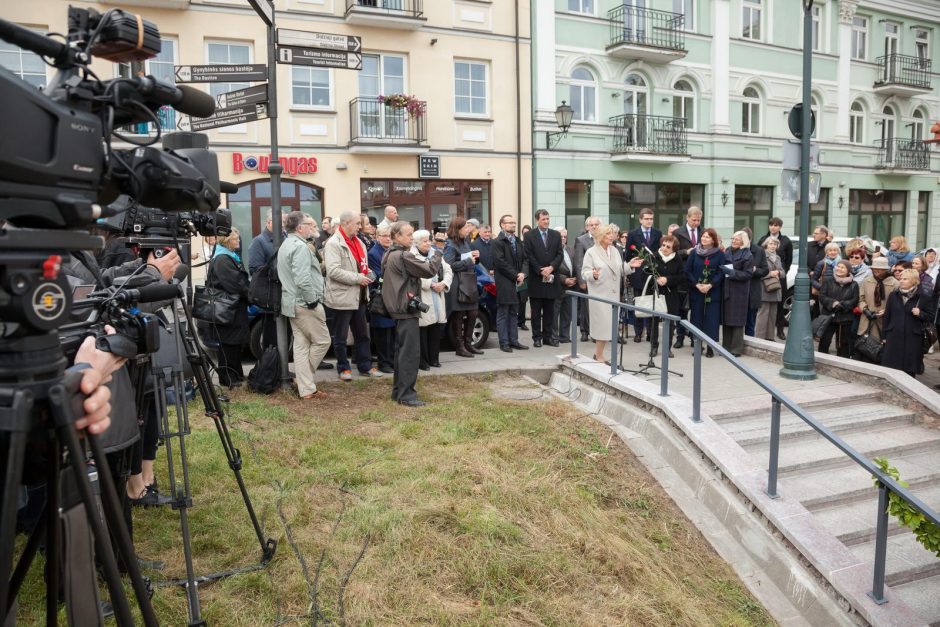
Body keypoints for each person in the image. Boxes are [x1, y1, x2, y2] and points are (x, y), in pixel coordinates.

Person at [382, 221, 442, 406]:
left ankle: (399, 393)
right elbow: (429, 270)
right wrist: (438, 249)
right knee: (410, 353)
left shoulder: (390, 253)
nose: (412, 238)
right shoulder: (403, 255)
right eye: (408, 235)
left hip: (399, 308)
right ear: (397, 236)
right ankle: (406, 396)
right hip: (405, 309)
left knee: (403, 352)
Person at [279, 212, 332, 400]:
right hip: (304, 303)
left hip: (292, 303)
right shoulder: (300, 247)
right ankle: (305, 382)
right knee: (323, 341)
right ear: (299, 228)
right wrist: (312, 301)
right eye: (308, 225)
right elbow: (302, 279)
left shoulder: (287, 244)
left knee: (301, 346)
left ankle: (306, 388)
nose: (311, 227)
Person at [323, 210, 382, 380]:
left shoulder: (359, 242)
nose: (360, 227)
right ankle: (343, 368)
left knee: (362, 334)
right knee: (341, 336)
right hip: (342, 297)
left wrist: (368, 273)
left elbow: (361, 265)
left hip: (360, 295)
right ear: (346, 223)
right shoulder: (334, 243)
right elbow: (333, 271)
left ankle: (365, 366)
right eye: (357, 223)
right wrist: (358, 278)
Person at [581, 223, 639, 363]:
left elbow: (618, 269)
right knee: (603, 326)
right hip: (599, 294)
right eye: (608, 234)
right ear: (600, 236)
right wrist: (593, 275)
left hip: (613, 294)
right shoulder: (591, 252)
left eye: (612, 233)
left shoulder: (614, 250)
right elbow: (584, 272)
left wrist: (629, 266)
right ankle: (599, 355)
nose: (611, 236)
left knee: (610, 327)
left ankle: (598, 354)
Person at [202, 228, 249, 388]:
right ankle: (228, 378)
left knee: (233, 344)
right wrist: (251, 294)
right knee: (228, 344)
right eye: (235, 239)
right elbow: (235, 285)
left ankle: (235, 375)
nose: (238, 241)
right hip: (228, 310)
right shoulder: (223, 259)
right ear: (227, 240)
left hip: (231, 309)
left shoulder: (226, 256)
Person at [523, 209, 564, 347]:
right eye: (543, 219)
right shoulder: (529, 235)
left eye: (547, 219)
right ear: (537, 220)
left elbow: (560, 255)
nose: (546, 221)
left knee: (549, 311)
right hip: (536, 278)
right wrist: (541, 270)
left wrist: (551, 267)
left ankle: (548, 337)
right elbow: (529, 256)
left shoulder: (556, 235)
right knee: (536, 312)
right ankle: (537, 338)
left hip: (552, 278)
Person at [882, 269, 933, 377]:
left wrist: (920, 314)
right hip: (893, 334)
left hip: (913, 337)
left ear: (914, 281)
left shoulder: (923, 297)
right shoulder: (894, 295)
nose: (901, 281)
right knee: (891, 366)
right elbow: (887, 316)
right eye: (900, 279)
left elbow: (930, 317)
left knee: (909, 368)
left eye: (905, 279)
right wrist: (884, 335)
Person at [444, 215, 483, 358]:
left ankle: (468, 344)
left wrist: (475, 257)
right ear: (457, 229)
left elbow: (468, 259)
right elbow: (449, 265)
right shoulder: (450, 244)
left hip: (468, 282)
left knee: (473, 312)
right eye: (465, 227)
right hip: (457, 284)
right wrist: (468, 261)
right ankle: (459, 347)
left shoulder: (465, 242)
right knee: (458, 315)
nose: (468, 229)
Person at [413, 229, 452, 369]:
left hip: (438, 294)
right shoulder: (413, 255)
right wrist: (430, 284)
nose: (428, 243)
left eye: (429, 240)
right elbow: (414, 276)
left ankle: (434, 359)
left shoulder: (436, 254)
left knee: (436, 328)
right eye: (425, 241)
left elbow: (448, 270)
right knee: (423, 330)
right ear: (416, 243)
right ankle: (423, 361)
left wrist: (444, 283)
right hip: (424, 296)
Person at [685, 228, 725, 357]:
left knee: (711, 319)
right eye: (703, 236)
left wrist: (710, 285)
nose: (704, 239)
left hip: (712, 292)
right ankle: (697, 345)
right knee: (696, 318)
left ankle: (710, 346)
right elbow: (688, 270)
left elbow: (721, 272)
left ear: (713, 240)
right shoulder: (694, 253)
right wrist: (696, 284)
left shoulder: (719, 254)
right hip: (696, 290)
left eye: (707, 237)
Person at [625, 208, 662, 343]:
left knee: (651, 304)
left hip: (652, 273)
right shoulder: (634, 234)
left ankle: (650, 333)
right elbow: (628, 255)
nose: (649, 221)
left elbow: (659, 252)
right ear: (640, 219)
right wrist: (629, 272)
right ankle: (638, 332)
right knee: (639, 303)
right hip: (638, 274)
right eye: (646, 219)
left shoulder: (657, 233)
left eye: (651, 219)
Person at [492, 214, 528, 352]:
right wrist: (515, 275)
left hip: (518, 281)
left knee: (514, 313)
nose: (513, 224)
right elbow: (500, 263)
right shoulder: (497, 242)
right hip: (505, 282)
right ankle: (504, 343)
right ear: (502, 225)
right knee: (503, 313)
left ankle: (514, 340)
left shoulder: (518, 241)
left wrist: (523, 273)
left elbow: (525, 259)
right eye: (510, 222)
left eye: (514, 222)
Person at [648, 234, 686, 357]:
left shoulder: (678, 259)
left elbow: (682, 277)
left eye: (668, 247)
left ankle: (667, 348)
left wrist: (668, 280)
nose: (664, 248)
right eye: (663, 245)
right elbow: (645, 272)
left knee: (670, 322)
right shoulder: (653, 256)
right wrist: (655, 279)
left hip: (671, 294)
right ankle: (654, 346)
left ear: (673, 249)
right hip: (656, 292)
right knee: (654, 320)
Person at [672, 206, 704, 348]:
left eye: (698, 220)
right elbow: (672, 252)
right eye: (693, 220)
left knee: (697, 310)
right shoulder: (678, 232)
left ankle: (694, 339)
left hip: (698, 275)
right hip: (683, 275)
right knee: (682, 309)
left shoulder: (703, 232)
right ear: (687, 217)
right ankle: (679, 337)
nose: (696, 223)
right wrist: (686, 252)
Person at [368, 224, 397, 374]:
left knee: (391, 333)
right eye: (384, 236)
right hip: (380, 298)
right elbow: (379, 275)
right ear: (377, 237)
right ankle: (384, 363)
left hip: (392, 297)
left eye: (389, 236)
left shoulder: (391, 250)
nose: (387, 239)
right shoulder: (373, 253)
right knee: (382, 333)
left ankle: (391, 361)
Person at [855, 256, 897, 357]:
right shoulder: (867, 281)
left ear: (886, 269)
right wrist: (865, 309)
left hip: (883, 320)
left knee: (878, 348)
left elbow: (897, 304)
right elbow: (861, 298)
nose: (876, 270)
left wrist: (886, 311)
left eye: (880, 269)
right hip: (867, 319)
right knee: (864, 345)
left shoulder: (895, 283)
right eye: (874, 268)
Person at [720, 231, 753, 357]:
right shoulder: (727, 251)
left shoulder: (747, 255)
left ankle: (736, 349)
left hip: (740, 291)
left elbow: (748, 274)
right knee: (727, 319)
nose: (733, 241)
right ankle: (726, 347)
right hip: (727, 288)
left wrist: (732, 272)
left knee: (738, 321)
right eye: (733, 238)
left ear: (743, 241)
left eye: (737, 239)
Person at [817, 260, 859, 358]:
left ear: (848, 270)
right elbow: (822, 296)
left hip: (845, 318)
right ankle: (821, 361)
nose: (839, 269)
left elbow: (855, 300)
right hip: (828, 316)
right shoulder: (828, 280)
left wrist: (842, 305)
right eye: (838, 266)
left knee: (843, 344)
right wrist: (833, 303)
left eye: (842, 267)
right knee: (825, 341)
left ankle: (842, 363)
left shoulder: (854, 284)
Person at [573, 216, 601, 341]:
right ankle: (585, 331)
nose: (594, 227)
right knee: (586, 306)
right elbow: (578, 262)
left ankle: (596, 332)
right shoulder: (581, 240)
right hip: (587, 279)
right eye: (591, 225)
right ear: (587, 227)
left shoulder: (602, 239)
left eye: (596, 224)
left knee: (597, 308)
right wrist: (582, 280)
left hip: (600, 280)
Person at [741, 226, 769, 337]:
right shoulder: (734, 249)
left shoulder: (759, 251)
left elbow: (765, 270)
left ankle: (749, 343)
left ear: (750, 239)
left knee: (750, 322)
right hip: (737, 291)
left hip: (752, 290)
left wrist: (755, 270)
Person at [756, 237, 785, 341]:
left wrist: (778, 273)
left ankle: (769, 338)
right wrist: (770, 274)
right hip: (764, 289)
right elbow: (757, 272)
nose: (773, 246)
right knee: (763, 315)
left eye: (775, 244)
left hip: (775, 289)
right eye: (771, 244)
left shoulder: (778, 258)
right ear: (766, 245)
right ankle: (759, 338)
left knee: (773, 315)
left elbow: (783, 273)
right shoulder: (761, 255)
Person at [553, 227, 578, 343]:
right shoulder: (552, 251)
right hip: (558, 286)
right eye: (560, 236)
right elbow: (553, 270)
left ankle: (564, 336)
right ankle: (554, 336)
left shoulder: (571, 249)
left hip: (571, 287)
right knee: (554, 313)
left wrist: (576, 278)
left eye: (564, 236)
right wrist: (564, 280)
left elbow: (576, 265)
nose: (563, 239)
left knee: (567, 313)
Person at [518, 224, 532, 331]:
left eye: (527, 233)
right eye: (524, 233)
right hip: (522, 276)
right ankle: (519, 321)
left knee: (524, 300)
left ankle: (522, 321)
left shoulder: (533, 244)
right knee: (520, 300)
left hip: (532, 276)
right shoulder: (520, 244)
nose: (526, 234)